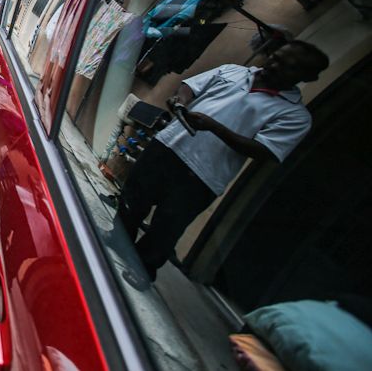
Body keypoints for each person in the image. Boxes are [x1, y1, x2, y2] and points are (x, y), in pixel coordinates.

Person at [118, 40, 330, 280]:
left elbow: (265, 151)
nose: (273, 64)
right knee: (132, 198)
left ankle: (142, 269)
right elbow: (190, 86)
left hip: (204, 174)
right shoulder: (235, 71)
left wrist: (214, 127)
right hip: (169, 145)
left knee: (166, 227)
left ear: (306, 76)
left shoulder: (295, 115)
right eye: (276, 57)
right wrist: (181, 100)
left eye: (286, 65)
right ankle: (119, 241)